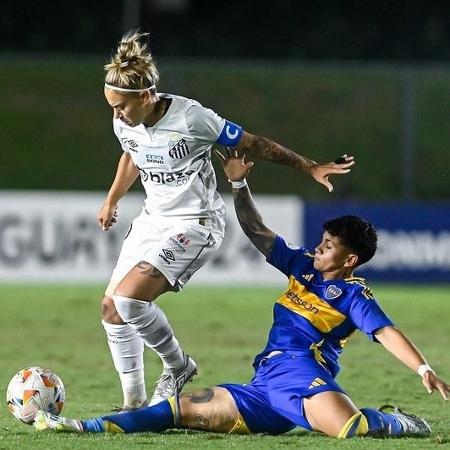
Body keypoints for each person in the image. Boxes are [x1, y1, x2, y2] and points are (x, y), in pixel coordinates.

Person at [35, 152, 449, 438]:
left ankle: (398, 422)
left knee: (350, 429)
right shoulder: (303, 265)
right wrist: (238, 183)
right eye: (322, 240)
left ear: (351, 258)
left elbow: (386, 332)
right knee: (180, 410)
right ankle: (81, 426)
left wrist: (422, 368)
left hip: (304, 378)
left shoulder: (352, 294)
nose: (320, 248)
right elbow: (257, 231)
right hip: (265, 383)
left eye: (329, 246)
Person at [96, 30, 355, 410]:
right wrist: (112, 198)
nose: (116, 115)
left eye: (121, 107)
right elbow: (132, 153)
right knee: (111, 309)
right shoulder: (126, 122)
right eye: (112, 107)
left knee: (129, 299)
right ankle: (132, 403)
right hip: (152, 219)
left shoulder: (192, 118)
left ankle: (177, 365)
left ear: (147, 96)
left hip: (195, 224)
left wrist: (308, 165)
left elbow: (253, 143)